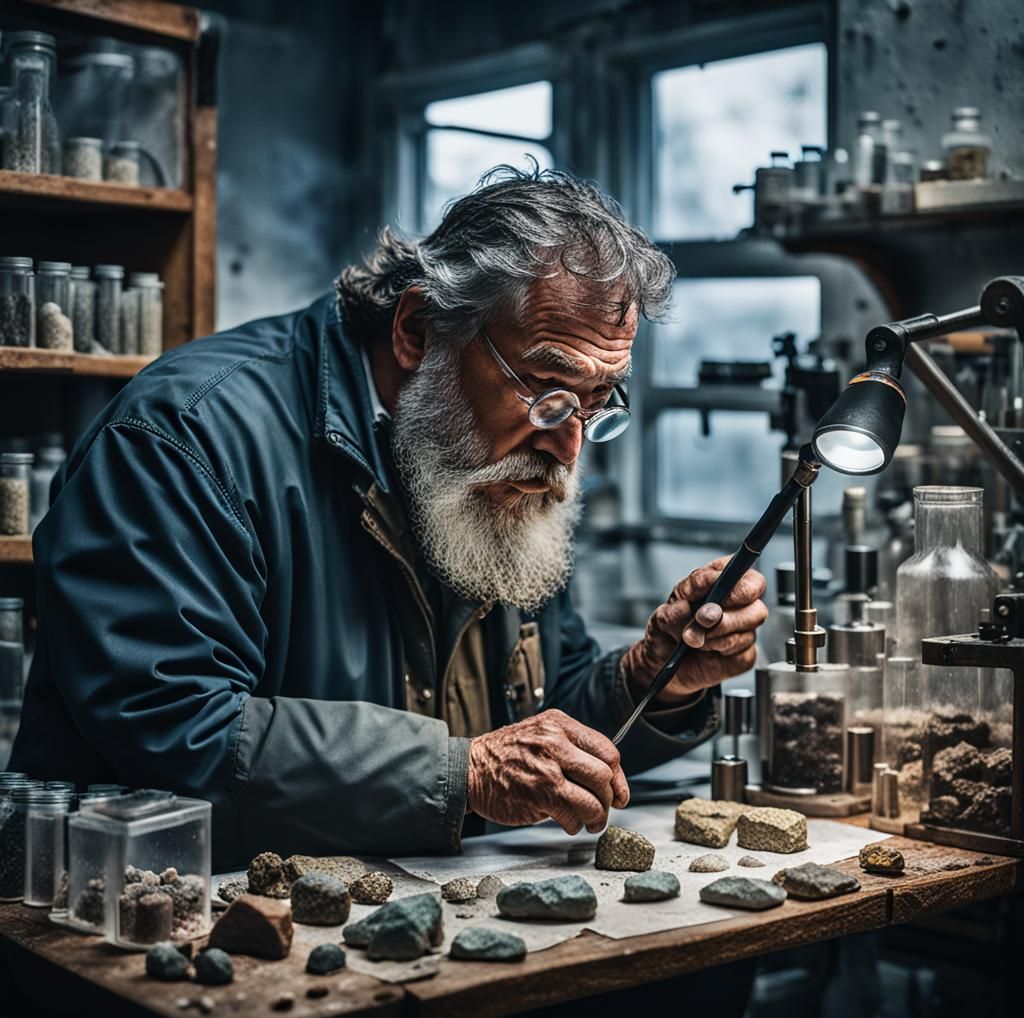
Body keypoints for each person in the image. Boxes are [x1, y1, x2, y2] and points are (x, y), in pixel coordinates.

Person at [11, 166, 766, 865]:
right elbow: (172, 727)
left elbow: (541, 710)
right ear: (418, 330)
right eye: (545, 387)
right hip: (148, 922)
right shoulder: (185, 439)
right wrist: (461, 772)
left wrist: (653, 679)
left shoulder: (498, 458)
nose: (568, 446)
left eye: (598, 405)